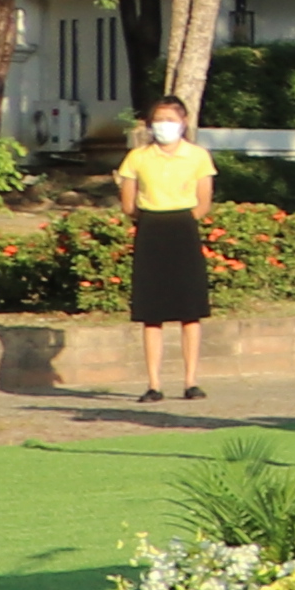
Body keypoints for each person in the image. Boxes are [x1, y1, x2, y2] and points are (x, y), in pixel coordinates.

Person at [117, 94, 218, 402]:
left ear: (183, 122)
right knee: (152, 312)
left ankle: (190, 380)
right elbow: (128, 202)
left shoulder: (198, 156)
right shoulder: (137, 158)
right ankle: (154, 383)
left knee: (190, 310)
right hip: (150, 228)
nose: (164, 126)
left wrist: (183, 218)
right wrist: (149, 217)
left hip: (183, 228)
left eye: (170, 120)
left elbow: (204, 201)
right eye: (158, 120)